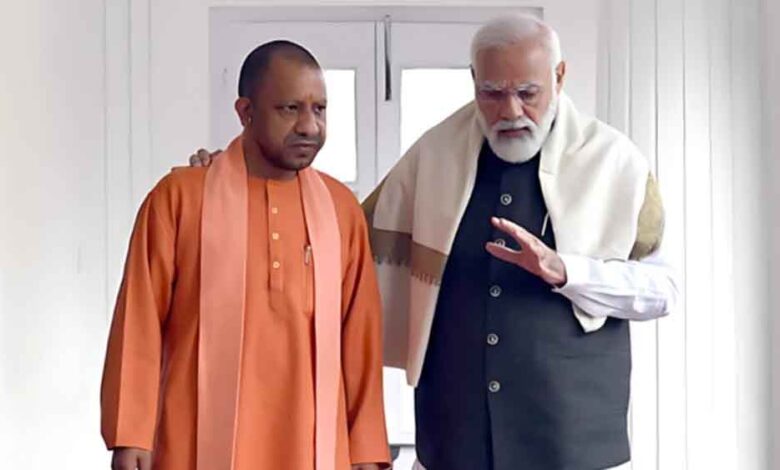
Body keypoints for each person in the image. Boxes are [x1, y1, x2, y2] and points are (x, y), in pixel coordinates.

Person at [190, 15, 678, 470]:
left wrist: (567, 271)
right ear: (474, 80)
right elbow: (344, 231)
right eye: (492, 93)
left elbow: (664, 291)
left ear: (560, 76)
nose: (510, 111)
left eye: (527, 93)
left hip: (571, 443)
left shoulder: (615, 163)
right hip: (454, 440)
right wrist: (241, 168)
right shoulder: (435, 154)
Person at [102, 40, 390, 470]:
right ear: (245, 111)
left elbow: (360, 335)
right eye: (289, 109)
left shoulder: (340, 208)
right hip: (192, 442)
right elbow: (139, 320)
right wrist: (131, 434)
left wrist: (366, 449)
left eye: (319, 109)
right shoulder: (180, 197)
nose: (309, 126)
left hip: (312, 446)